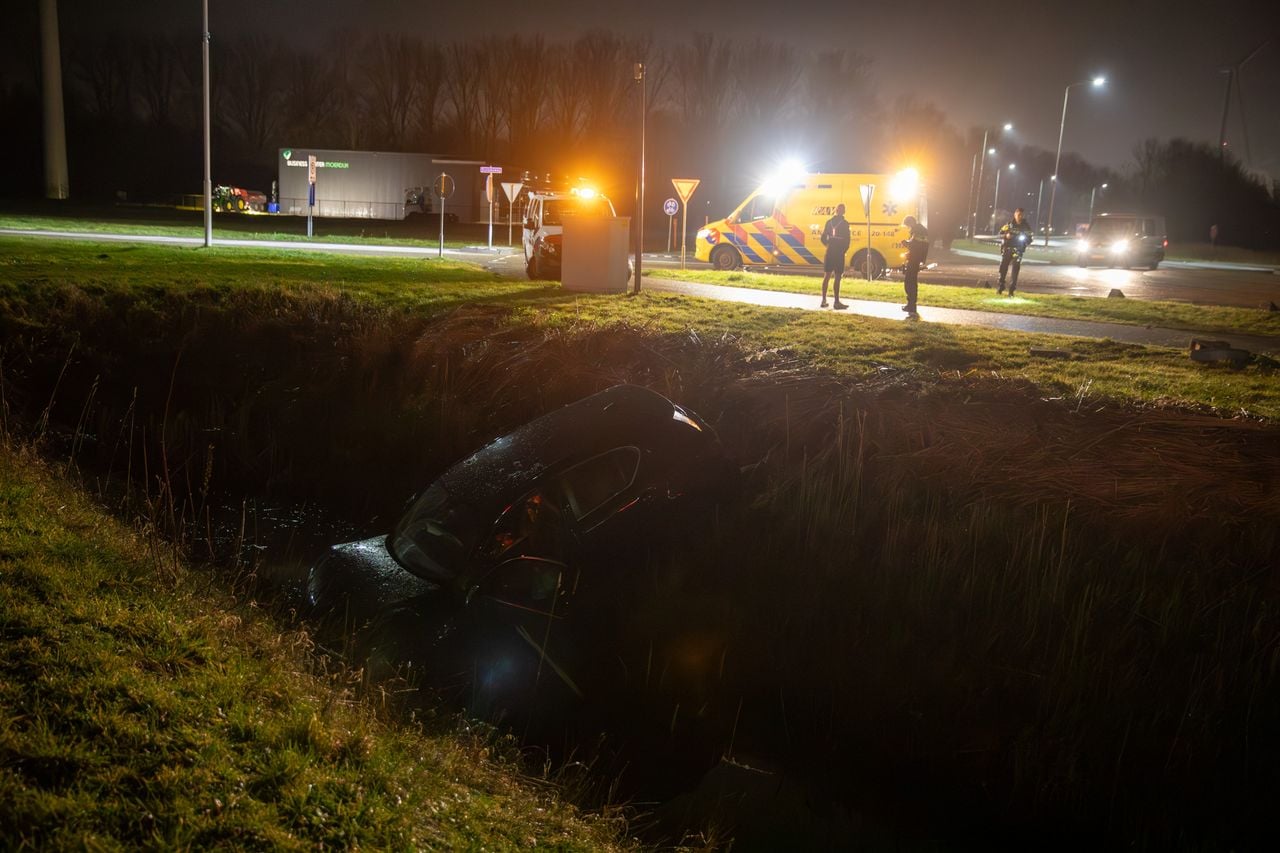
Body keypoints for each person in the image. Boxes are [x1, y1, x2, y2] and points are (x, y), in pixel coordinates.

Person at [819, 203, 851, 309]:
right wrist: (843, 250)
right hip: (838, 253)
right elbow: (847, 240)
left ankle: (823, 300)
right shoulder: (845, 224)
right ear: (843, 211)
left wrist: (829, 245)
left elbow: (823, 238)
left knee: (827, 276)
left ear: (836, 211)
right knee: (837, 277)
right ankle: (836, 302)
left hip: (829, 252)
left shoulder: (829, 222)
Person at [997, 207, 1033, 295]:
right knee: (1003, 268)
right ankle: (1001, 286)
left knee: (1015, 270)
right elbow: (1000, 233)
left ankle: (1011, 290)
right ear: (1015, 214)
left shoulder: (1026, 227)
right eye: (1018, 214)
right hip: (1007, 249)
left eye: (1021, 215)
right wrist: (1006, 236)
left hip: (1018, 250)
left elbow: (1030, 238)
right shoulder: (1009, 225)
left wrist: (1025, 241)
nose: (1019, 216)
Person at [900, 215, 929, 317]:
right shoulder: (921, 230)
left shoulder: (917, 231)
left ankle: (911, 305)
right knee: (912, 282)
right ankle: (911, 304)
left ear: (911, 223)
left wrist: (905, 243)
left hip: (914, 260)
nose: (908, 228)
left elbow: (914, 245)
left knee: (909, 282)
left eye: (908, 225)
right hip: (916, 259)